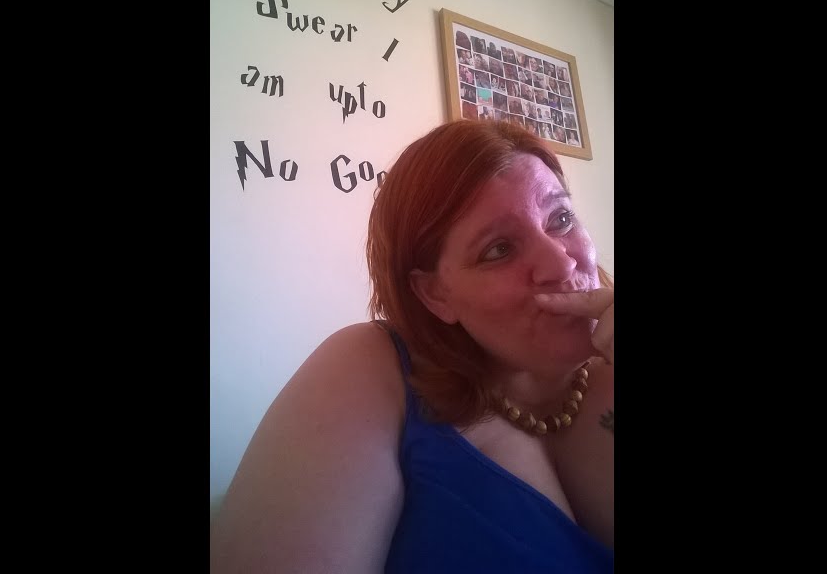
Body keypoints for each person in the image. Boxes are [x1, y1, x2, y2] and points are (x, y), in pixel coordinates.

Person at [211, 120, 615, 573]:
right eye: (499, 249)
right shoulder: (371, 368)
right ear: (434, 294)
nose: (560, 263)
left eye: (560, 218)